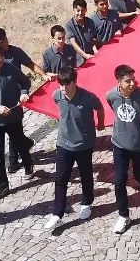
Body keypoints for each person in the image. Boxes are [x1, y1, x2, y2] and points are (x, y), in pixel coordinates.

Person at [43, 67, 106, 230]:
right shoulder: (57, 96)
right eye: (61, 85)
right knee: (61, 179)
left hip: (84, 144)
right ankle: (57, 214)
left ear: (75, 82)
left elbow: (99, 108)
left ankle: (87, 203)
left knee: (86, 175)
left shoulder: (87, 97)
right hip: (63, 144)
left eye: (67, 84)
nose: (64, 88)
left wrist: (99, 124)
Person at [106, 64, 140, 234]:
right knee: (120, 181)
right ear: (118, 82)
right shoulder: (111, 95)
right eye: (127, 81)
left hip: (139, 144)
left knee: (139, 173)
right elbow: (112, 105)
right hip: (119, 144)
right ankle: (123, 216)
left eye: (133, 80)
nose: (132, 84)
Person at [0, 42, 34, 200]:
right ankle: (2, 185)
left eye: (2, 56)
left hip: (13, 118)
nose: (0, 59)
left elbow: (25, 82)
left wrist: (24, 93)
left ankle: (28, 163)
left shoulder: (11, 69)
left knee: (20, 145)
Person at [0, 27, 44, 171]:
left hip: (15, 100)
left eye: (5, 39)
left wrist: (43, 75)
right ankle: (23, 147)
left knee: (14, 133)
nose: (5, 43)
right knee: (12, 139)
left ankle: (14, 161)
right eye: (1, 42)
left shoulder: (15, 52)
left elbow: (30, 65)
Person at [64, 0, 98, 66]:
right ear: (74, 10)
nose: (80, 13)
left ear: (86, 10)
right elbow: (73, 43)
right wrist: (84, 55)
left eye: (82, 10)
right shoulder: (69, 25)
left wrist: (95, 50)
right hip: (76, 60)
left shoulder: (90, 22)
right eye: (78, 10)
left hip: (90, 56)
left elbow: (93, 39)